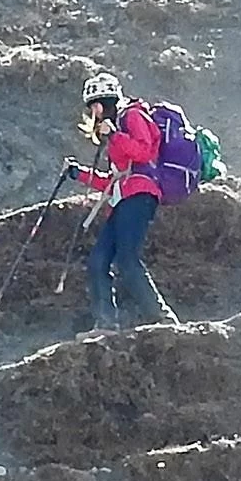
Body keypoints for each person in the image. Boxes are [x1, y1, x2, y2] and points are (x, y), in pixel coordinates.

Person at [65, 72, 172, 331]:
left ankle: (162, 317)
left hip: (140, 194)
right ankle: (106, 323)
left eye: (97, 105)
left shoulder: (132, 116)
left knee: (126, 257)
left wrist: (114, 135)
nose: (95, 113)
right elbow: (114, 180)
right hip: (122, 198)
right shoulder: (116, 127)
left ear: (108, 101)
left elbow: (145, 153)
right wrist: (78, 174)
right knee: (98, 261)